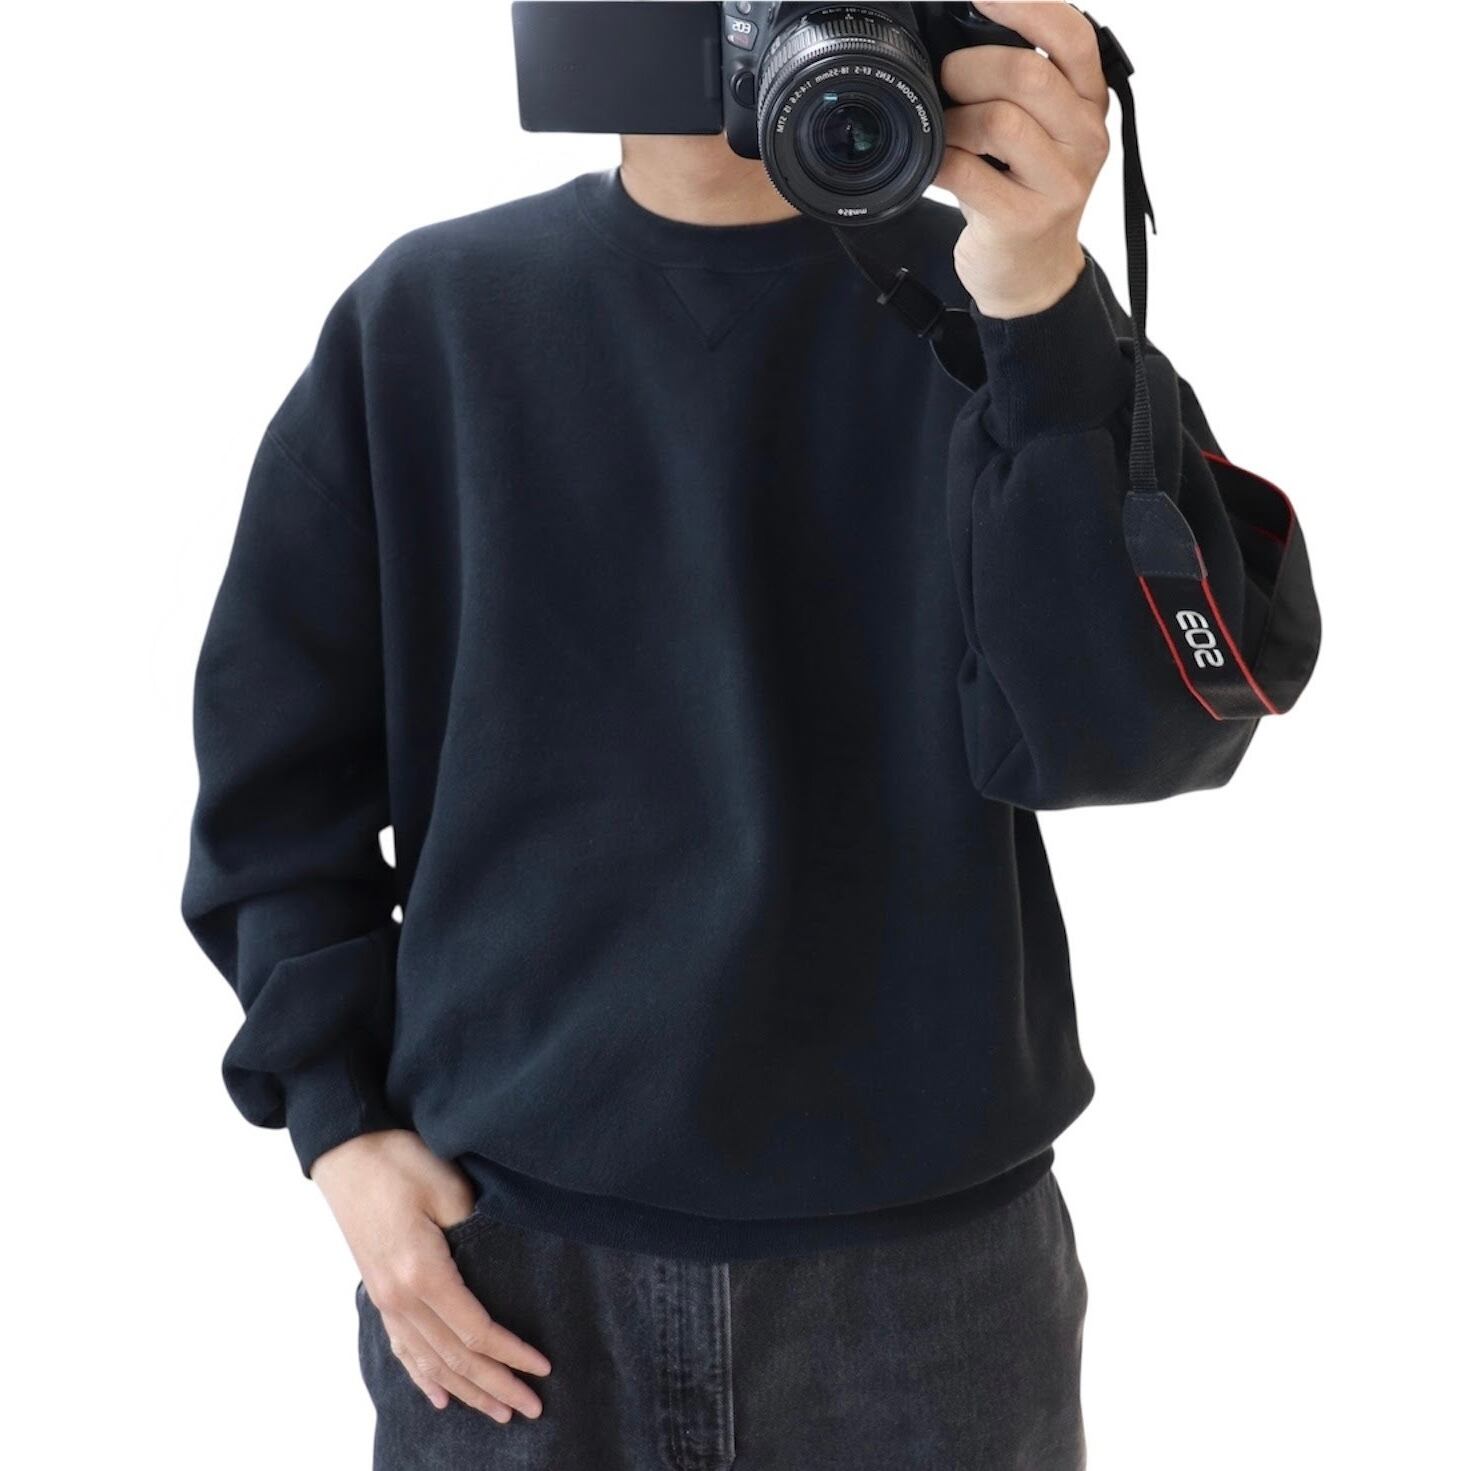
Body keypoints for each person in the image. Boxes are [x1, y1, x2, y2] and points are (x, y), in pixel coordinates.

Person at [182, 4, 1316, 1466]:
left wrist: (1040, 302)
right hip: (512, 1265)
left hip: (932, 1293)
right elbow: (275, 784)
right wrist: (340, 1134)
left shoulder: (1001, 305)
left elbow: (1132, 740)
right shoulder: (429, 322)